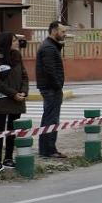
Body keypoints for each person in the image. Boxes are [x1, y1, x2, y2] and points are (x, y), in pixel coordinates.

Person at [0, 32, 29, 173]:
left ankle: (8, 158)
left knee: (12, 130)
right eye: (14, 41)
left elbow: (24, 75)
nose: (17, 43)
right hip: (0, 99)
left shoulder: (16, 56)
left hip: (17, 99)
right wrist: (13, 94)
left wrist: (23, 91)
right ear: (5, 43)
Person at [35, 21, 67, 158]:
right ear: (54, 31)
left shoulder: (51, 46)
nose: (64, 34)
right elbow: (50, 70)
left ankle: (46, 149)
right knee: (51, 119)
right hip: (50, 89)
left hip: (51, 88)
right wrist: (58, 85)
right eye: (62, 31)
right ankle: (49, 150)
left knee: (48, 118)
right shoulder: (48, 48)